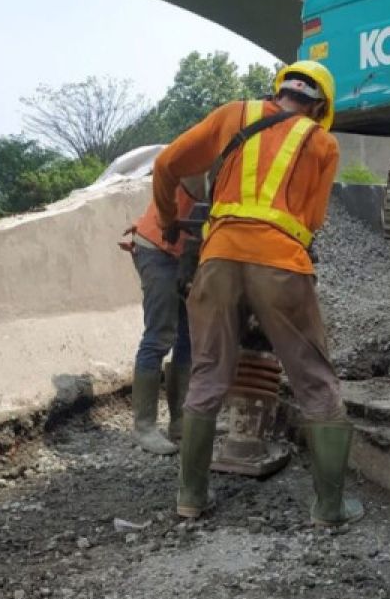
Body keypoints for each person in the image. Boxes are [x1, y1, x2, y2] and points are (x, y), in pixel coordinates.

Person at [151, 60, 364, 528]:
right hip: (281, 264)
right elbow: (312, 221)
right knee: (314, 381)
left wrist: (169, 222)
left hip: (218, 258)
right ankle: (328, 508)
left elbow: (166, 165)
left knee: (208, 375)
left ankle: (190, 498)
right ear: (319, 106)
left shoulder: (233, 115)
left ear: (279, 91)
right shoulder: (322, 141)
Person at [120, 173, 207, 455]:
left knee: (189, 336)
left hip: (186, 255)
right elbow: (169, 173)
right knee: (159, 336)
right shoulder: (209, 158)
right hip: (158, 248)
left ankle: (180, 420)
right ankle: (143, 427)